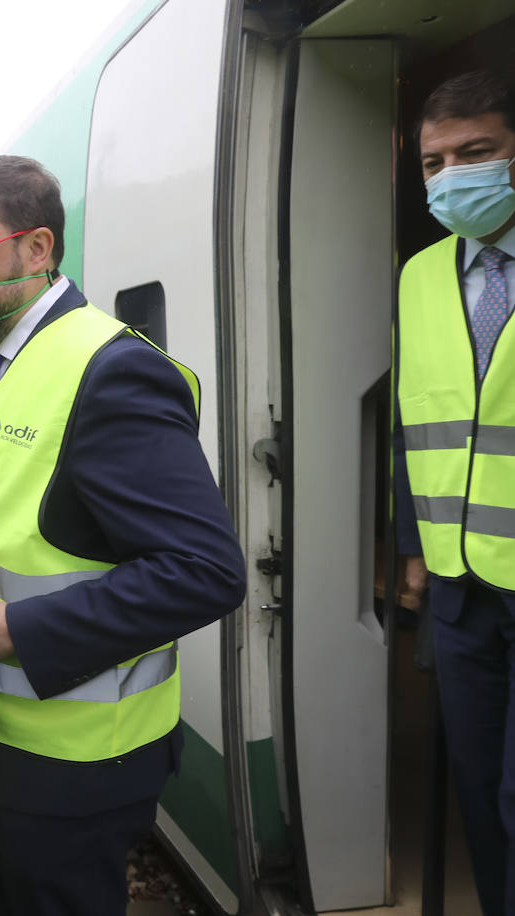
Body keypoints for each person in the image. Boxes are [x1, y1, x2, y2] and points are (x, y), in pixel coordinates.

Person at [0, 156, 246, 914]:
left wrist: (20, 628)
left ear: (37, 250)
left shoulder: (110, 370)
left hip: (72, 763)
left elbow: (204, 570)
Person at [393, 70, 515, 916]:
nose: (452, 176)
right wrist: (411, 549)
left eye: (478, 153)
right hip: (458, 586)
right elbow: (418, 423)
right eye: (434, 162)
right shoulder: (420, 273)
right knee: (479, 792)